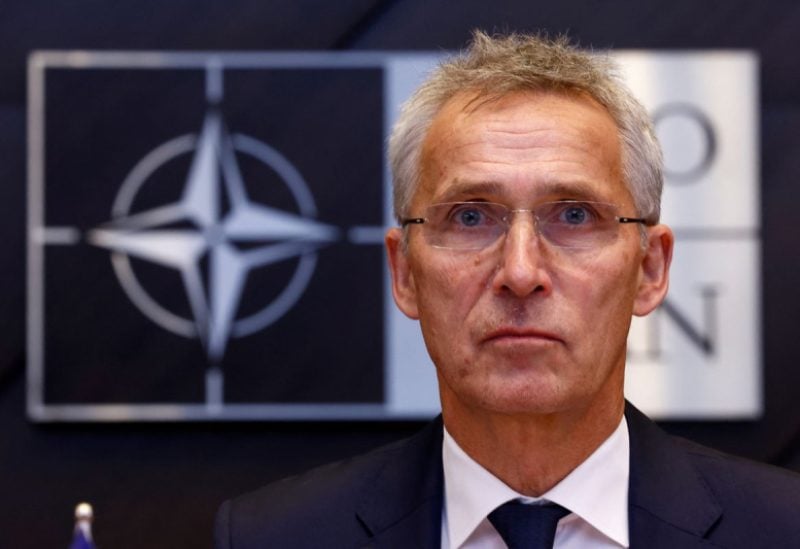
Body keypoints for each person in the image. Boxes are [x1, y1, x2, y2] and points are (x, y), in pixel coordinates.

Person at [214, 31, 800, 548]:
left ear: (649, 268)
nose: (520, 272)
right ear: (405, 273)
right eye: (470, 217)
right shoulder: (277, 536)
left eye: (573, 215)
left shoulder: (783, 529)